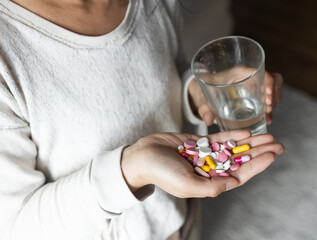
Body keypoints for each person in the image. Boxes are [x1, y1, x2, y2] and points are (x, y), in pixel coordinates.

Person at [0, 0, 284, 239]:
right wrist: (131, 170)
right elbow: (15, 227)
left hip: (176, 216)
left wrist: (198, 91)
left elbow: (164, 71)